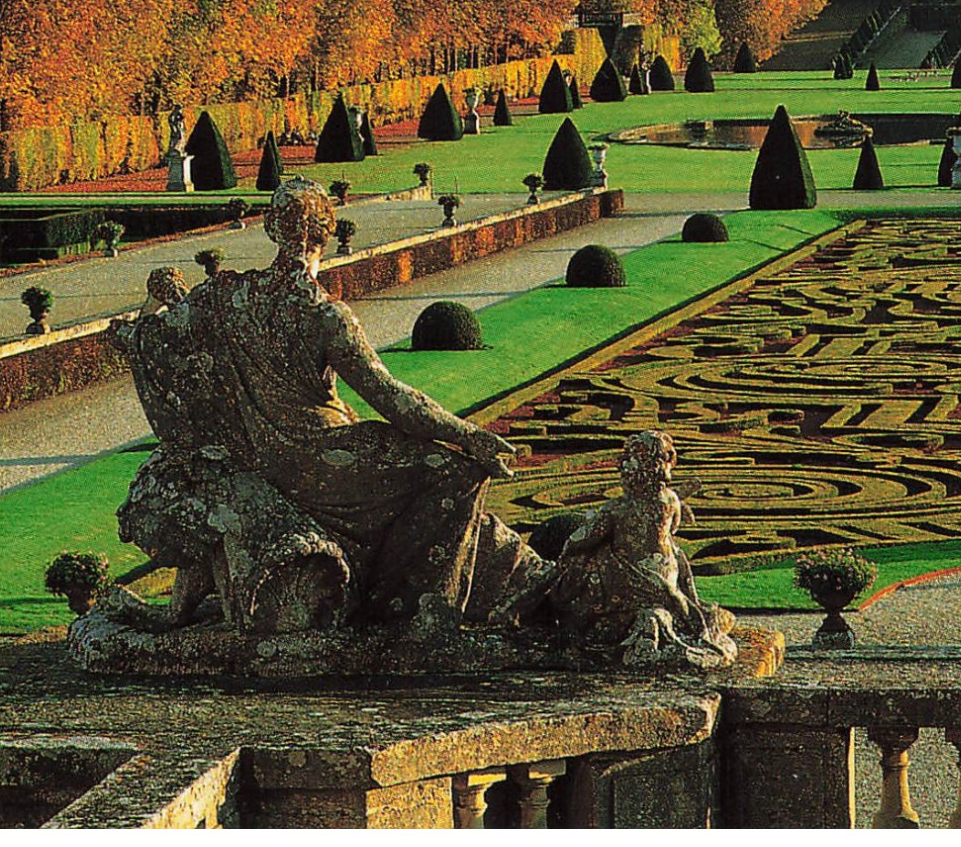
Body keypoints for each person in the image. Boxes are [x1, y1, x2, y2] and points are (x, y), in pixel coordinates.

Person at [115, 177, 541, 633]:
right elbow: (392, 398)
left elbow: (147, 339)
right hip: (325, 458)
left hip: (268, 458)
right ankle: (422, 612)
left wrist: (150, 308)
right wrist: (467, 434)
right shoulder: (325, 315)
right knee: (456, 471)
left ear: (272, 230)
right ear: (326, 235)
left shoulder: (226, 297)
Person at [497, 431, 737, 668]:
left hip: (631, 578)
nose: (622, 466)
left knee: (582, 565)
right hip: (668, 574)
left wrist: (570, 548)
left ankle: (548, 617)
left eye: (630, 460)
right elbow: (671, 531)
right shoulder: (672, 500)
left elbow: (584, 538)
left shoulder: (617, 509)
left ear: (644, 467)